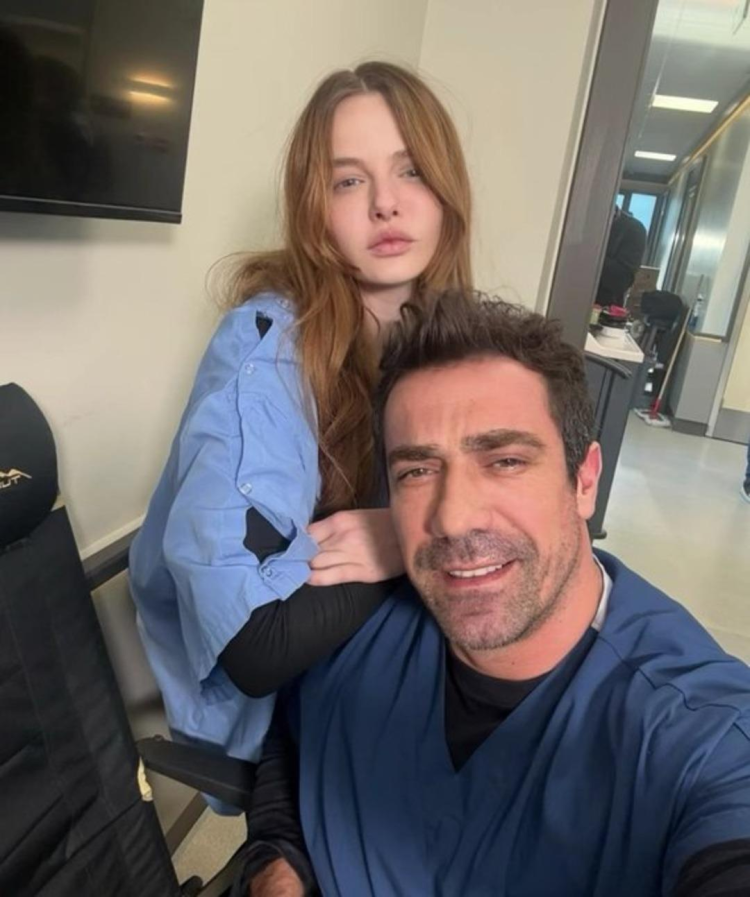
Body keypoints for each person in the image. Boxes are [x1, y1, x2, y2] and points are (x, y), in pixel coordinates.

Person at [238, 295, 750, 896]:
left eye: (505, 460)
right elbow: (296, 742)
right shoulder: (356, 628)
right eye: (417, 471)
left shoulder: (700, 737)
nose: (453, 518)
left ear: (584, 481)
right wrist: (277, 865)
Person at [128, 61, 472, 804]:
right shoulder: (265, 350)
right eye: (349, 180)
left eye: (411, 170)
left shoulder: (453, 342)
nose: (385, 203)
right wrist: (410, 535)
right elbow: (257, 644)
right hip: (305, 722)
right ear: (315, 211)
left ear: (448, 190)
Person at [595, 205, 647, 307]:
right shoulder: (577, 218)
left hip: (601, 307)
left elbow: (621, 280)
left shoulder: (633, 229)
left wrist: (591, 252)